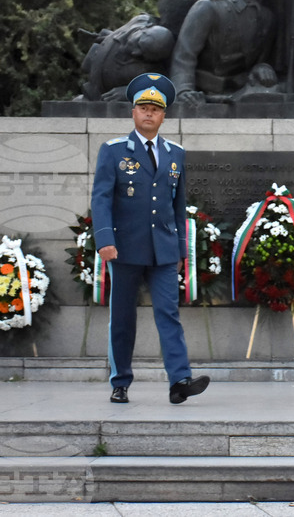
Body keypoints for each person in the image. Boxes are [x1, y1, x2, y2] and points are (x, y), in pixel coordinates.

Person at [91, 73, 210, 405]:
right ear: (133, 112)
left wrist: (182, 246)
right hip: (125, 247)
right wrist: (104, 240)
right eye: (143, 107)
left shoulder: (175, 153)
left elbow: (178, 203)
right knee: (123, 317)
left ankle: (179, 380)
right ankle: (120, 381)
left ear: (163, 115)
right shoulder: (113, 151)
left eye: (155, 110)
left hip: (163, 250)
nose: (148, 114)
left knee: (168, 313)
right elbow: (101, 198)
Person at [169, 0, 277, 104]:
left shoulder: (266, 18)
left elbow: (258, 60)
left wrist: (262, 67)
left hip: (239, 89)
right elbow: (185, 54)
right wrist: (183, 89)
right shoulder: (208, 7)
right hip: (202, 87)